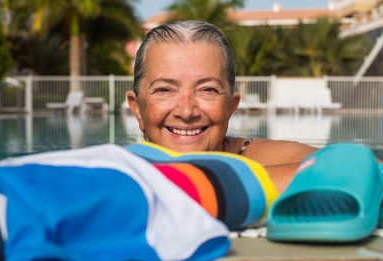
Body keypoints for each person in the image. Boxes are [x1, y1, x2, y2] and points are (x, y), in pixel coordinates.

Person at [126, 20, 317, 193]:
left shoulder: (255, 158)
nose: (186, 111)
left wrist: (201, 192)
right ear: (137, 109)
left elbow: (340, 169)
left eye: (207, 90)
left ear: (230, 107)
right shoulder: (119, 167)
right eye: (164, 90)